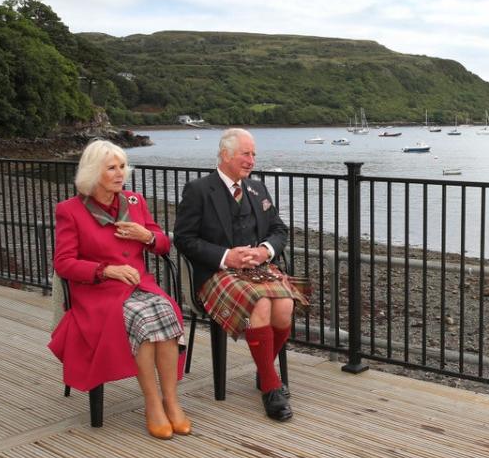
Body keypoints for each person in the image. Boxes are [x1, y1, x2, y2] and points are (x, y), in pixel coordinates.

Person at [51, 140, 190, 440]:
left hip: (139, 285)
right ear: (92, 172)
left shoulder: (135, 202)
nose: (120, 173)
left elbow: (164, 245)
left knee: (166, 313)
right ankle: (152, 404)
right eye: (111, 168)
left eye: (122, 167)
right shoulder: (71, 210)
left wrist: (147, 236)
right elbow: (64, 263)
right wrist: (105, 270)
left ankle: (172, 401)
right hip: (99, 294)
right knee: (143, 321)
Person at [173, 128, 306, 422]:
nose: (251, 160)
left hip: (258, 267)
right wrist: (226, 256)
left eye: (254, 154)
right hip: (216, 274)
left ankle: (264, 370)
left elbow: (279, 230)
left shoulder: (258, 189)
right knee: (260, 304)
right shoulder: (198, 191)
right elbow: (183, 238)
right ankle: (271, 388)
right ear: (225, 155)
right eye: (246, 154)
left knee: (285, 305)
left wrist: (265, 251)